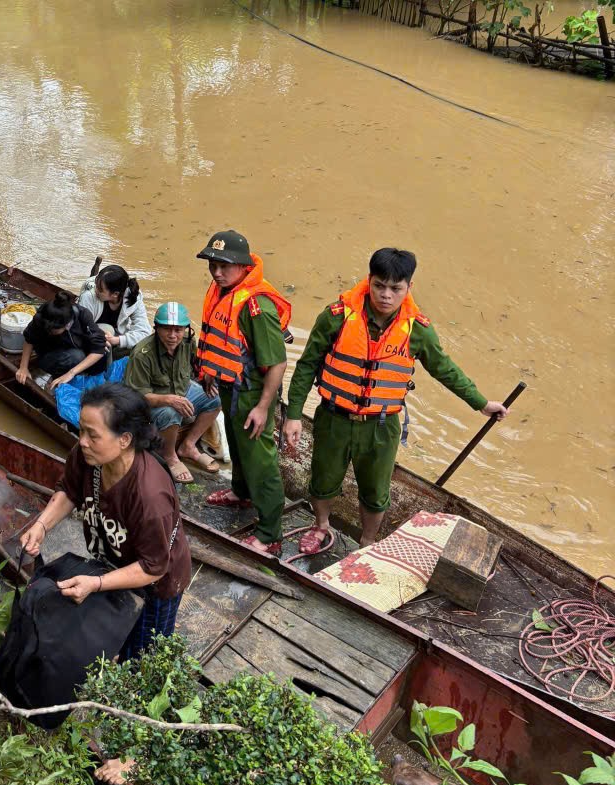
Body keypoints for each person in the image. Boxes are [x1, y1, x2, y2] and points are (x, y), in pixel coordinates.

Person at [282, 248, 509, 551]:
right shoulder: (336, 317)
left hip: (381, 425)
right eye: (379, 285)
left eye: (395, 288)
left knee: (376, 491)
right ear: (369, 280)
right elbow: (307, 364)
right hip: (334, 417)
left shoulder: (418, 331)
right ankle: (320, 526)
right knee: (323, 479)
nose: (385, 295)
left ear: (408, 288)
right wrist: (294, 413)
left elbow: (445, 369)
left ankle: (367, 541)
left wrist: (481, 403)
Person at [20, 382, 190, 660]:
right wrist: (41, 525)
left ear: (124, 439)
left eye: (93, 435)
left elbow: (153, 567)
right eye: (81, 430)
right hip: (114, 561)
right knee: (114, 637)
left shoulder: (149, 495)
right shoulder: (88, 456)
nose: (82, 440)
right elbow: (70, 491)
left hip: (156, 582)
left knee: (143, 657)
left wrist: (95, 583)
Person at [196, 230, 291, 555]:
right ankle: (240, 492)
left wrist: (264, 407)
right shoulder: (223, 291)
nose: (217, 272)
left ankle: (270, 533)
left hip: (252, 394)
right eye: (213, 265)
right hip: (228, 386)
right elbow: (220, 338)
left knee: (260, 461)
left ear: (243, 266)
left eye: (225, 266)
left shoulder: (256, 307)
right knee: (236, 447)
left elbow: (277, 364)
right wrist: (209, 370)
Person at [123, 302, 221, 484]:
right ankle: (170, 456)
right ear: (157, 328)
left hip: (182, 391)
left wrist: (205, 375)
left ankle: (188, 445)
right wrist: (168, 399)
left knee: (214, 397)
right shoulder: (142, 354)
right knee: (171, 412)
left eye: (178, 330)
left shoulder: (188, 342)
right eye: (167, 329)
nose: (173, 336)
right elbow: (136, 397)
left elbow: (197, 364)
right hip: (151, 404)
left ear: (185, 329)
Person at [15, 291, 107, 390]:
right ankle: (56, 379)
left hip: (76, 349)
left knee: (104, 348)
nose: (50, 332)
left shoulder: (83, 315)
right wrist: (23, 367)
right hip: (49, 355)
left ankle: (80, 377)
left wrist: (71, 373)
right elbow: (29, 338)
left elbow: (99, 349)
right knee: (76, 356)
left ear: (67, 325)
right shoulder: (43, 315)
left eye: (53, 330)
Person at [78, 264, 151, 360]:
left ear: (115, 294)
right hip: (94, 339)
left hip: (116, 339)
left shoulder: (133, 297)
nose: (96, 289)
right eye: (96, 284)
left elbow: (144, 332)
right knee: (107, 331)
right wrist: (99, 337)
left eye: (100, 289)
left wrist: (118, 340)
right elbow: (81, 328)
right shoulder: (89, 297)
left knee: (145, 347)